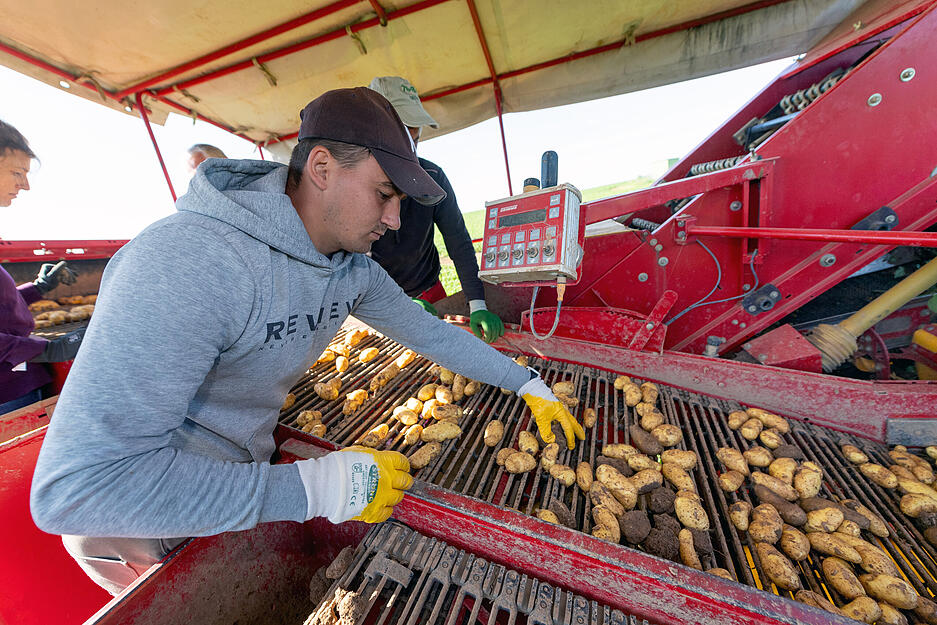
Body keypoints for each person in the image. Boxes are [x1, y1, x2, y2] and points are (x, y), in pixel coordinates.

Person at [30, 88, 583, 595]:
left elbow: (431, 334)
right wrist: (311, 489)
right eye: (384, 194)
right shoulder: (189, 261)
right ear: (321, 167)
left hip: (244, 491)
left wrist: (526, 382)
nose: (394, 220)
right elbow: (77, 491)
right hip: (146, 534)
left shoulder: (351, 271)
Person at [367, 76, 504, 344]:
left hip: (429, 292)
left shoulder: (432, 178)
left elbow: (458, 241)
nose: (410, 150)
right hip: (377, 302)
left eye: (415, 139)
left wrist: (477, 304)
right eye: (403, 138)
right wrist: (396, 306)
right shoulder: (354, 184)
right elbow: (351, 262)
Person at [0, 120, 81, 414]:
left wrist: (38, 288)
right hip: (9, 391)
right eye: (16, 173)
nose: (26, 184)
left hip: (21, 378)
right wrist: (45, 348)